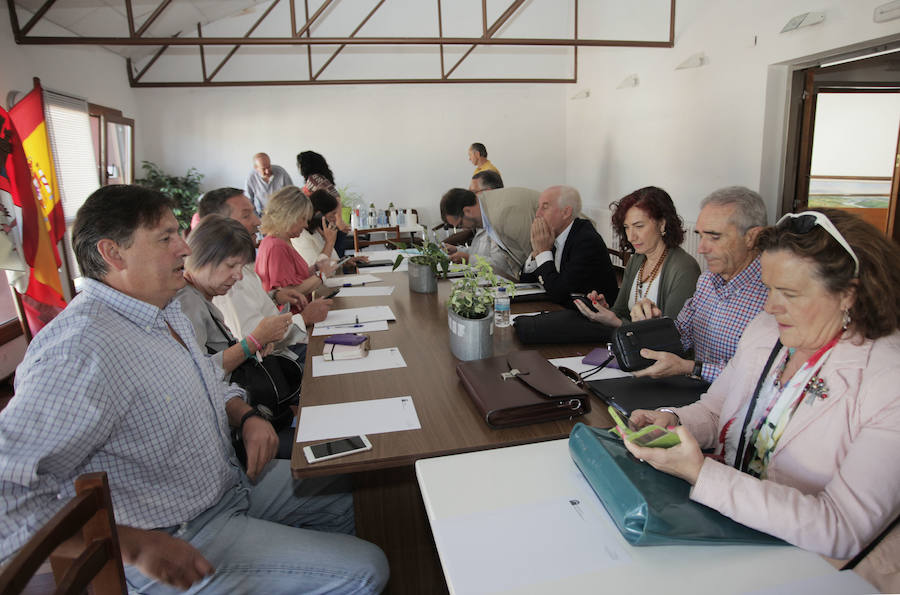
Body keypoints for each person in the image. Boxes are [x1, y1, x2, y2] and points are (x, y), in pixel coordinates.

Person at [0, 184, 389, 593]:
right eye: (165, 238)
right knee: (367, 568)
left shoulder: (163, 309)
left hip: (229, 487)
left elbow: (201, 381)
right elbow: (7, 490)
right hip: (179, 536)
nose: (185, 248)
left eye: (178, 234)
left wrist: (246, 414)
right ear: (112, 253)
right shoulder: (81, 349)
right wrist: (132, 545)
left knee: (356, 490)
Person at [624, 208, 900, 593]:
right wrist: (672, 422)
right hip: (736, 529)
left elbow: (842, 529)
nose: (769, 306)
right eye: (769, 288)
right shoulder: (766, 331)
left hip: (826, 569)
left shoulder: (888, 380)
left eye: (788, 293)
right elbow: (716, 408)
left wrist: (701, 474)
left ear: (848, 295)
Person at [626, 186, 768, 382]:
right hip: (698, 398)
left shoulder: (773, 294)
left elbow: (763, 378)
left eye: (714, 237)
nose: (701, 248)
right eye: (701, 236)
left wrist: (692, 368)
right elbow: (681, 336)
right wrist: (652, 325)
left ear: (751, 237)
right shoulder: (708, 280)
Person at [177, 214, 294, 376]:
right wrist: (254, 341)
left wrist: (257, 343)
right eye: (231, 266)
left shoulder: (200, 296)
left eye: (241, 267)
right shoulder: (188, 303)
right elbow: (199, 373)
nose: (238, 276)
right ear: (202, 258)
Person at [574, 186, 700, 325]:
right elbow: (620, 311)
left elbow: (673, 333)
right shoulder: (637, 259)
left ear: (662, 224)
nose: (631, 237)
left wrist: (617, 323)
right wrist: (605, 310)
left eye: (639, 226)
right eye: (627, 227)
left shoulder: (684, 268)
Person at [519, 185, 619, 305]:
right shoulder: (553, 234)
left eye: (545, 207)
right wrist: (537, 254)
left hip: (593, 315)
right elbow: (525, 282)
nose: (537, 214)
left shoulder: (586, 240)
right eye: (538, 207)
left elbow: (559, 293)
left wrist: (544, 251)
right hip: (561, 308)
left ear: (566, 212)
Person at [255, 186, 334, 307]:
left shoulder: (279, 241)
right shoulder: (277, 247)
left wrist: (315, 268)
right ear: (289, 215)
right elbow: (289, 293)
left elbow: (292, 276)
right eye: (303, 219)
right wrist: (321, 276)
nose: (306, 224)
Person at [440, 186, 539, 276]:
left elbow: (535, 253)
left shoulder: (502, 215)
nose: (465, 229)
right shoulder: (487, 209)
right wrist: (459, 251)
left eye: (460, 224)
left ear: (467, 211)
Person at [294, 189, 367, 270]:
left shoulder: (316, 230)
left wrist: (342, 262)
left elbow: (329, 258)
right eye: (332, 215)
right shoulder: (301, 236)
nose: (335, 220)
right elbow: (316, 270)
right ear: (319, 214)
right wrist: (329, 242)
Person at [297, 150, 351, 258]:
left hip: (328, 224)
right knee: (334, 256)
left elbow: (336, 196)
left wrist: (339, 220)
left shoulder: (314, 178)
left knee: (332, 256)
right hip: (325, 224)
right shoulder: (321, 178)